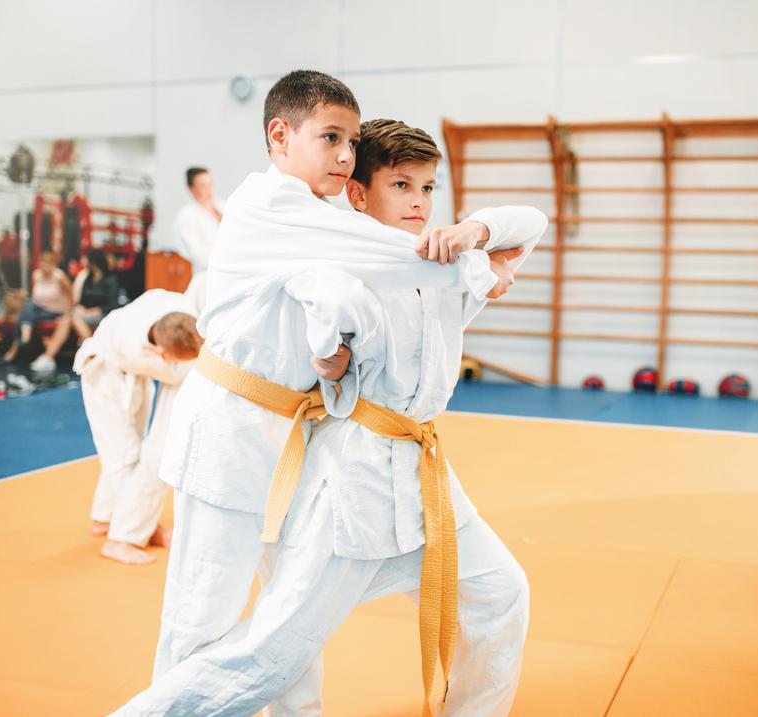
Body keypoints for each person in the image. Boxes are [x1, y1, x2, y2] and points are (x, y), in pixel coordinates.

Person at [113, 70, 524, 716]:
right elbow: (386, 262)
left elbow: (335, 289)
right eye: (330, 137)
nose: (342, 153)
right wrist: (471, 256)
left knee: (278, 634)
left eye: (351, 141)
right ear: (279, 134)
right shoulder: (273, 206)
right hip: (231, 430)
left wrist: (475, 243)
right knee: (207, 624)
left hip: (289, 438)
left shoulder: (316, 219)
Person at [75, 289, 202, 565]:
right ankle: (122, 533)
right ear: (160, 351)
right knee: (123, 454)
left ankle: (105, 517)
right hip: (104, 373)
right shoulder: (133, 349)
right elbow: (181, 371)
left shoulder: (183, 309)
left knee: (129, 448)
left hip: (133, 377)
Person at [2, 251, 72, 372]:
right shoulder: (36, 275)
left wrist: (68, 312)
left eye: (47, 264)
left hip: (55, 311)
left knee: (27, 310)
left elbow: (70, 295)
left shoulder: (59, 277)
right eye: (42, 264)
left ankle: (17, 346)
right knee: (28, 306)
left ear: (52, 264)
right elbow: (34, 294)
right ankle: (24, 334)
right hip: (38, 309)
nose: (44, 267)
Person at [171, 166, 223, 274]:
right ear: (191, 189)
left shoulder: (224, 205)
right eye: (203, 185)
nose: (208, 189)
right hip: (208, 273)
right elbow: (198, 255)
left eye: (210, 184)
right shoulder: (187, 215)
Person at [71, 248, 120, 344]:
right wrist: (81, 308)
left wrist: (90, 311)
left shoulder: (111, 280)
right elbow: (82, 300)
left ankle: (88, 343)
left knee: (74, 318)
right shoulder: (88, 278)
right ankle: (89, 342)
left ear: (93, 261)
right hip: (86, 313)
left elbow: (112, 305)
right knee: (72, 315)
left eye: (86, 259)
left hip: (103, 314)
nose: (83, 261)